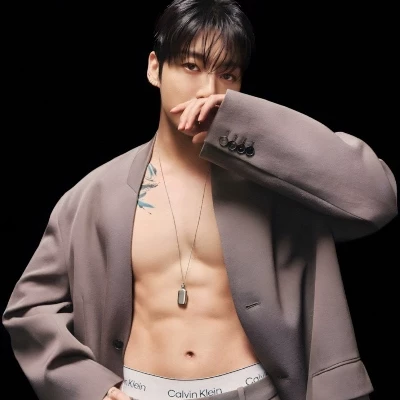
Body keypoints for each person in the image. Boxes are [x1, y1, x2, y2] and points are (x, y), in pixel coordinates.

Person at [2, 0, 397, 399]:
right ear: (154, 68)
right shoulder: (94, 194)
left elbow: (376, 198)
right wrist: (92, 387)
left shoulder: (278, 183)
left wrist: (247, 123)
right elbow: (29, 308)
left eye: (228, 75)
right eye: (191, 66)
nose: (209, 90)